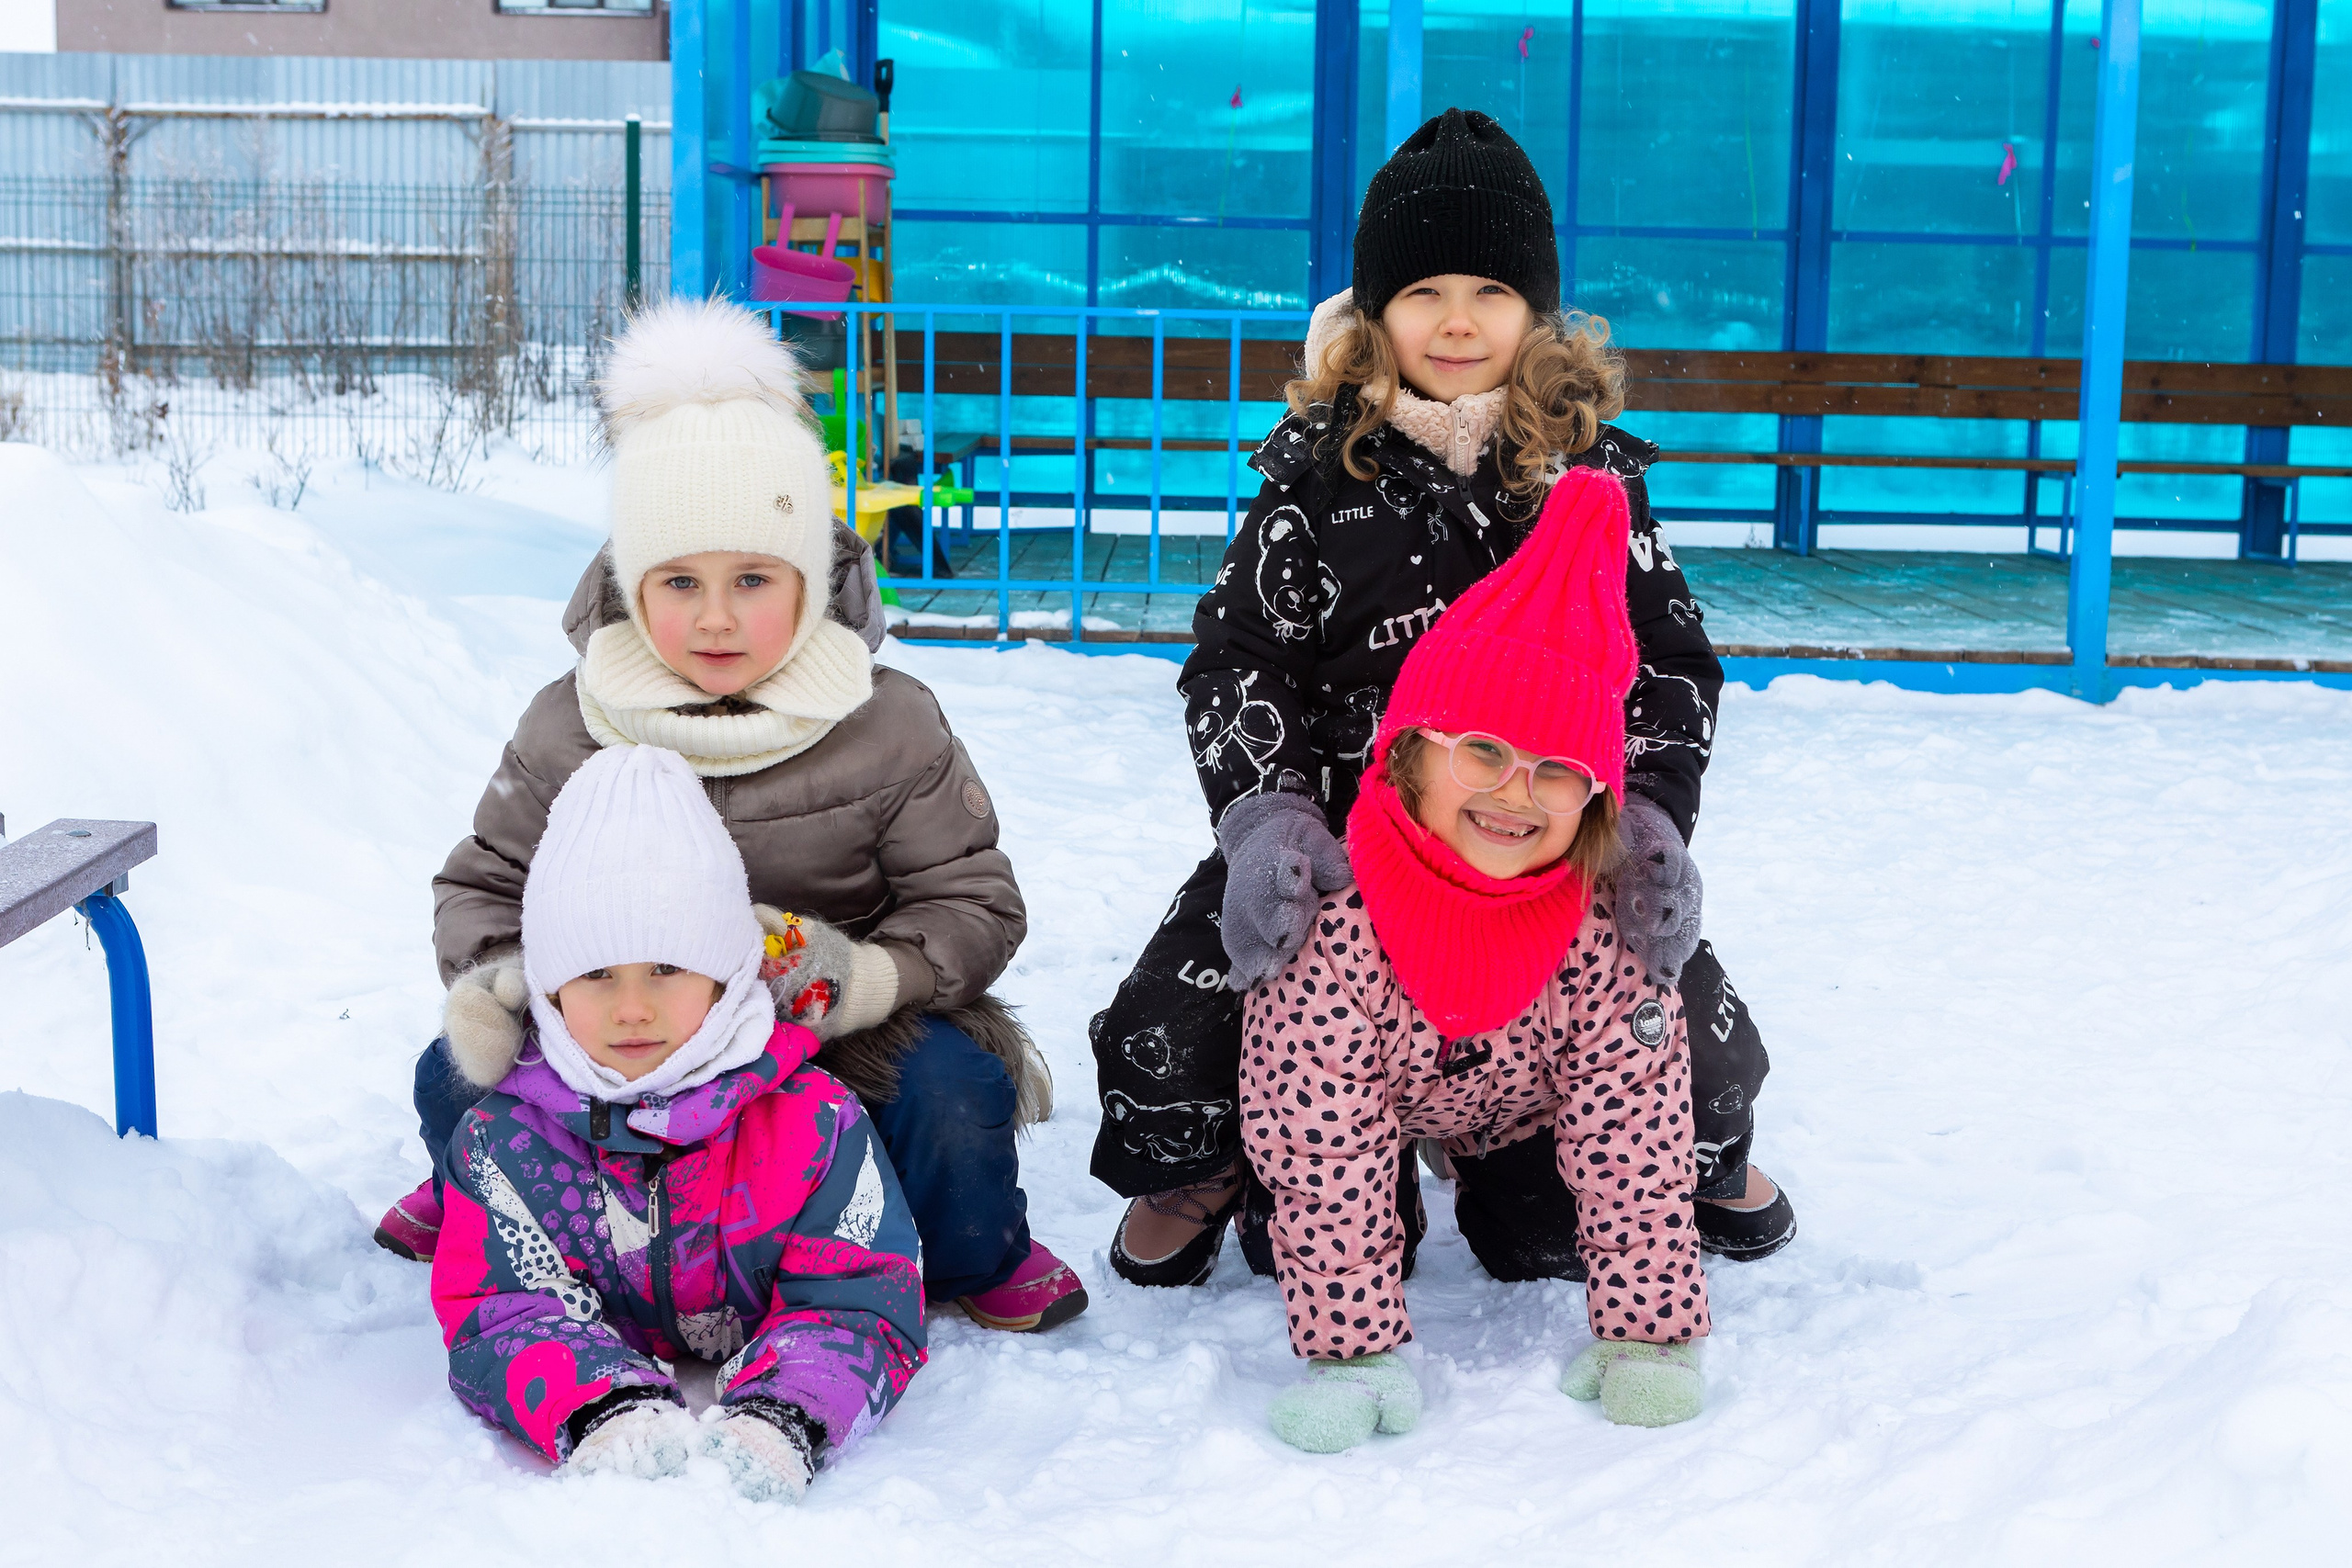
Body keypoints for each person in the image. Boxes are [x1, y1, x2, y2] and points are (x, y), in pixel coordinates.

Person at [1090, 108, 1790, 1289]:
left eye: (1488, 289)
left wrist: (1650, 820)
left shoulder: (1592, 479)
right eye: (1422, 291)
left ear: (1536, 312)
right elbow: (1235, 660)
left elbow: (1670, 663)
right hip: (1339, 862)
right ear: (1374, 316)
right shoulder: (1314, 472)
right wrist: (1268, 820)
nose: (1457, 320)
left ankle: (1544, 1144)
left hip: (1541, 847)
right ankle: (1234, 1158)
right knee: (1163, 1060)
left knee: (1694, 1091)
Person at [383, 299, 1086, 1335]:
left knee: (948, 1089)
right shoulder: (573, 722)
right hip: (622, 1020)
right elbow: (486, 882)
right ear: (631, 585)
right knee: (457, 1075)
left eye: (753, 579)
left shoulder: (884, 722)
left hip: (826, 1026)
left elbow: (970, 895)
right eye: (679, 582)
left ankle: (971, 1252)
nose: (715, 617)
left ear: (810, 582)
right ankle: (480, 1198)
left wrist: (870, 977)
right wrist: (515, 985)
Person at [1244, 468, 1709, 1453]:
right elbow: (1319, 1139)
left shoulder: (1599, 928)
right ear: (1410, 754)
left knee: (1532, 1245)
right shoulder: (1335, 928)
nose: (1515, 793)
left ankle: (1493, 1184)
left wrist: (1646, 1334)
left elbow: (1634, 1128)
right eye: (1483, 750)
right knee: (1314, 1203)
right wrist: (1351, 1349)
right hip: (1373, 1093)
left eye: (1556, 771)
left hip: (1517, 1101)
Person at [433, 743, 926, 1498]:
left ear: (727, 974)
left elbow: (858, 1297)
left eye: (667, 967)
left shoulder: (814, 1121)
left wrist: (785, 1412)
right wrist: (600, 1401)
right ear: (549, 990)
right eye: (597, 974)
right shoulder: (505, 1142)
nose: (633, 1007)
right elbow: (502, 1309)